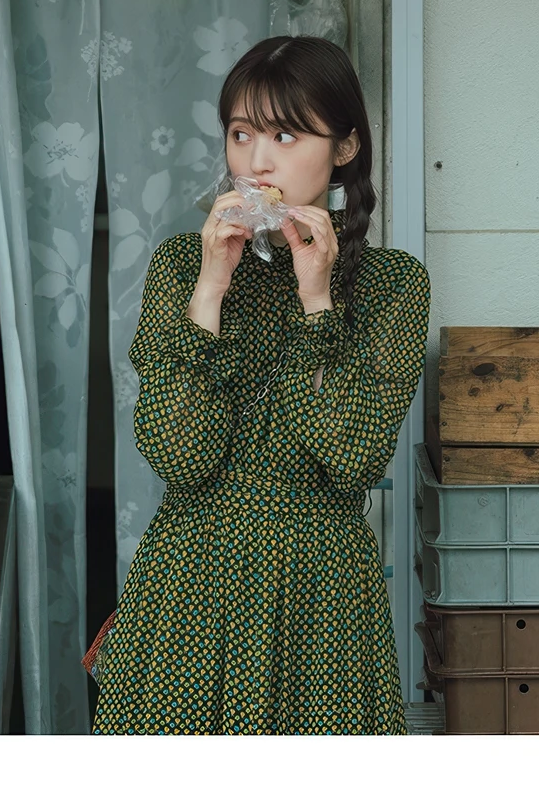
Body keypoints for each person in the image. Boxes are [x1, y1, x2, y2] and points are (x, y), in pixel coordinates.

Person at [91, 36, 430, 735]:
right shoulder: (182, 265)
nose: (256, 162)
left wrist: (317, 301)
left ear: (344, 148)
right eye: (241, 134)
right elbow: (180, 457)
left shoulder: (392, 284)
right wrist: (211, 287)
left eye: (285, 135)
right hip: (191, 583)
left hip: (321, 592)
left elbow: (352, 457)